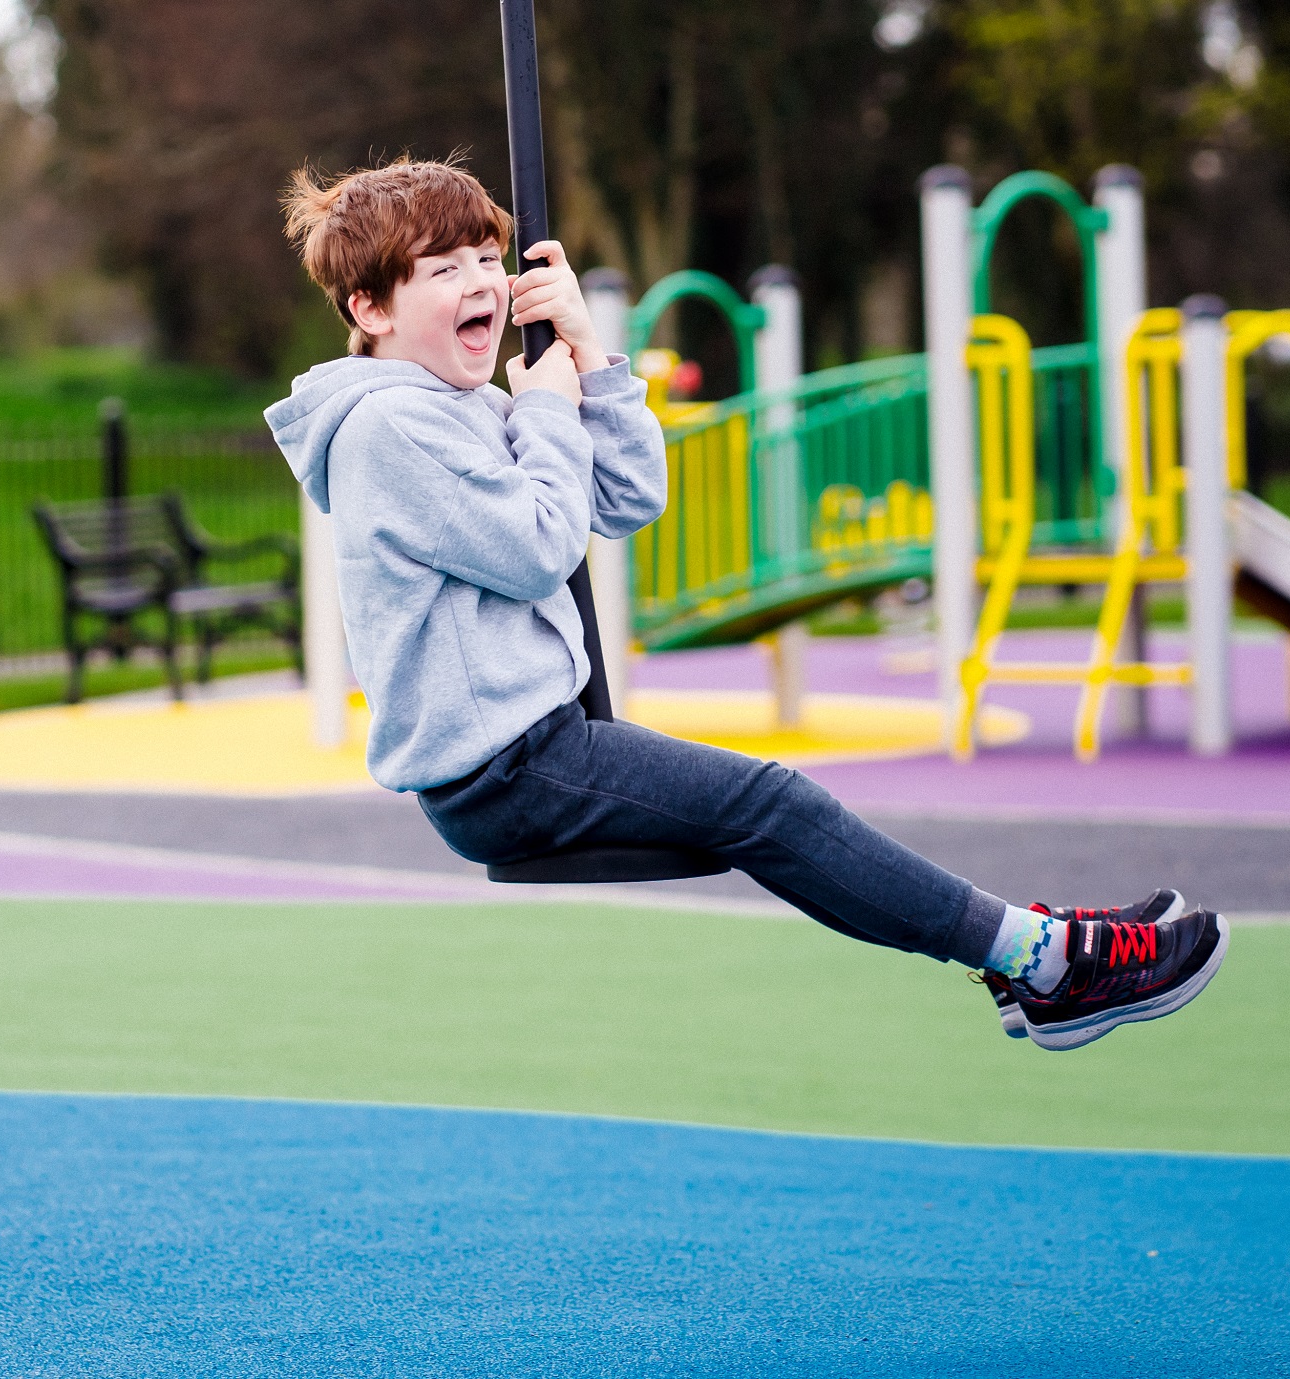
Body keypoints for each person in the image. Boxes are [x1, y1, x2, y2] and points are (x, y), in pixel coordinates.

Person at [264, 157, 1224, 1051]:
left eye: (488, 257)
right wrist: (549, 408)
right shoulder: (389, 425)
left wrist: (591, 366)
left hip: (533, 746)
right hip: (503, 769)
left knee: (771, 819)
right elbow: (537, 549)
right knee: (775, 803)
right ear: (370, 306)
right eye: (443, 269)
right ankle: (1041, 960)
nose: (482, 282)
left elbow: (625, 499)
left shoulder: (459, 398)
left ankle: (1028, 955)